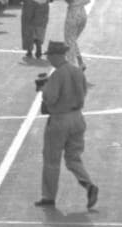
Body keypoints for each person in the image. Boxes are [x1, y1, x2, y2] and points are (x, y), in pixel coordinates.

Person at [33, 42, 98, 210]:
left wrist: (43, 88)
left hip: (59, 119)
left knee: (51, 160)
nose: (48, 59)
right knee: (73, 158)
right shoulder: (77, 72)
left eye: (50, 56)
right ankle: (88, 183)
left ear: (56, 56)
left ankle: (49, 196)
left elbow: (51, 98)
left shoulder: (57, 75)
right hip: (77, 117)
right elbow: (83, 92)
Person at [55, 0, 90, 72]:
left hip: (73, 12)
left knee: (69, 41)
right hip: (82, 12)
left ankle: (71, 67)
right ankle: (80, 62)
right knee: (73, 39)